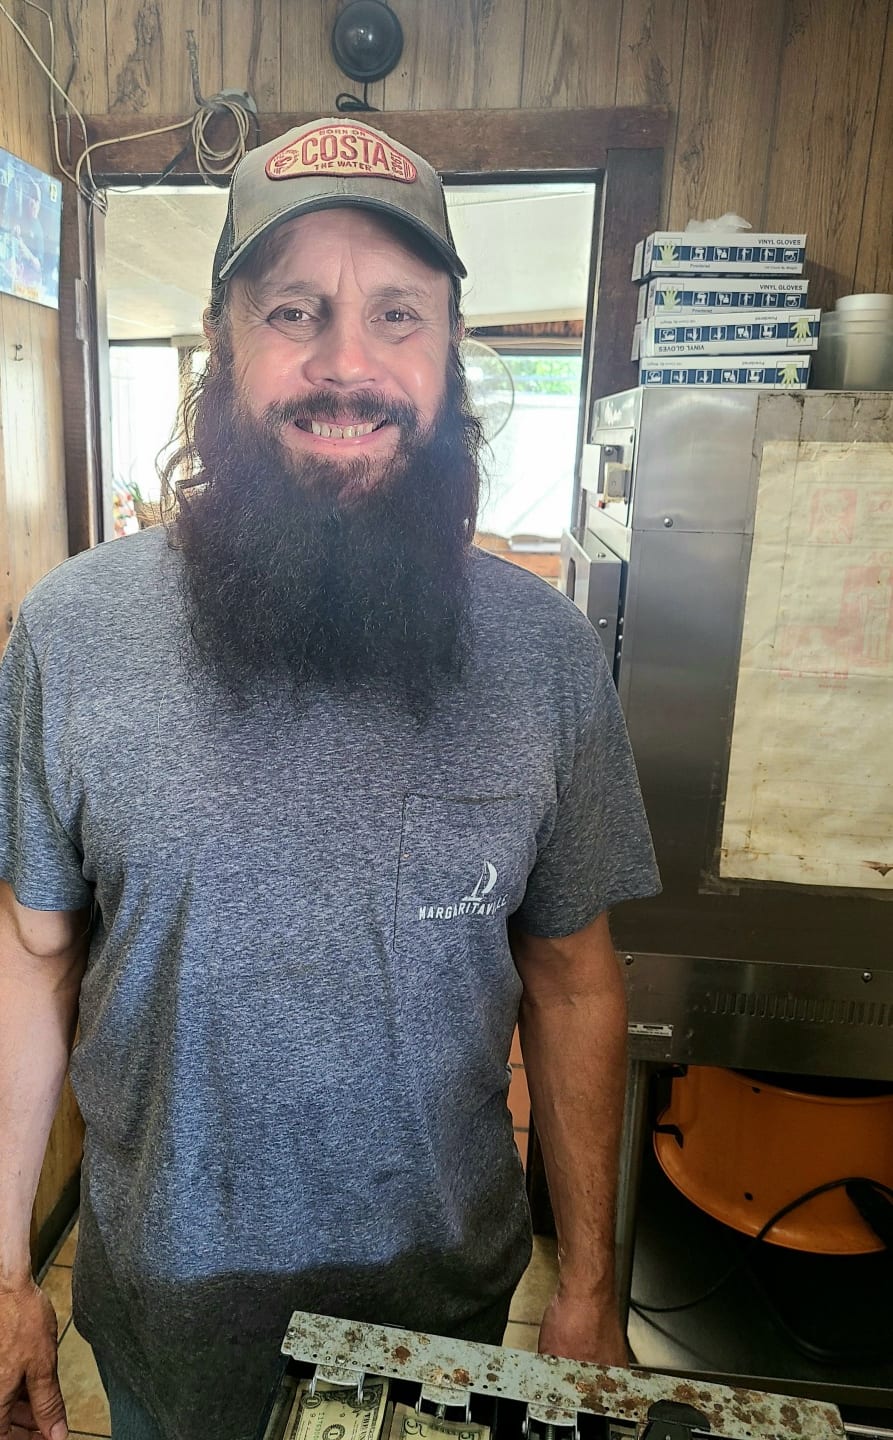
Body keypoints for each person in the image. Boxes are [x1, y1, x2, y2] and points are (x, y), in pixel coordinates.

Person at [0, 119, 659, 1440]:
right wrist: (6, 1264)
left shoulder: (545, 656)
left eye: (396, 314)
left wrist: (589, 1286)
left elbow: (575, 980)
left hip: (441, 1321)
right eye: (293, 310)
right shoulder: (69, 633)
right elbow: (30, 958)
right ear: (222, 344)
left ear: (449, 348)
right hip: (167, 1320)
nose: (346, 364)